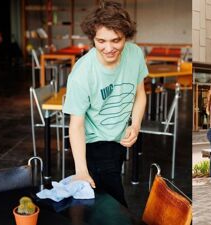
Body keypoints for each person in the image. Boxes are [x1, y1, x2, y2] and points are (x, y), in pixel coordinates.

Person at [63, 1, 148, 207]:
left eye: (116, 40)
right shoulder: (82, 73)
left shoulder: (135, 54)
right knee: (116, 207)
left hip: (119, 140)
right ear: (93, 38)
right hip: (95, 145)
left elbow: (140, 95)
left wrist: (135, 125)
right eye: (101, 41)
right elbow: (76, 124)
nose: (108, 48)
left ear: (126, 37)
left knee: (99, 207)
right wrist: (81, 171)